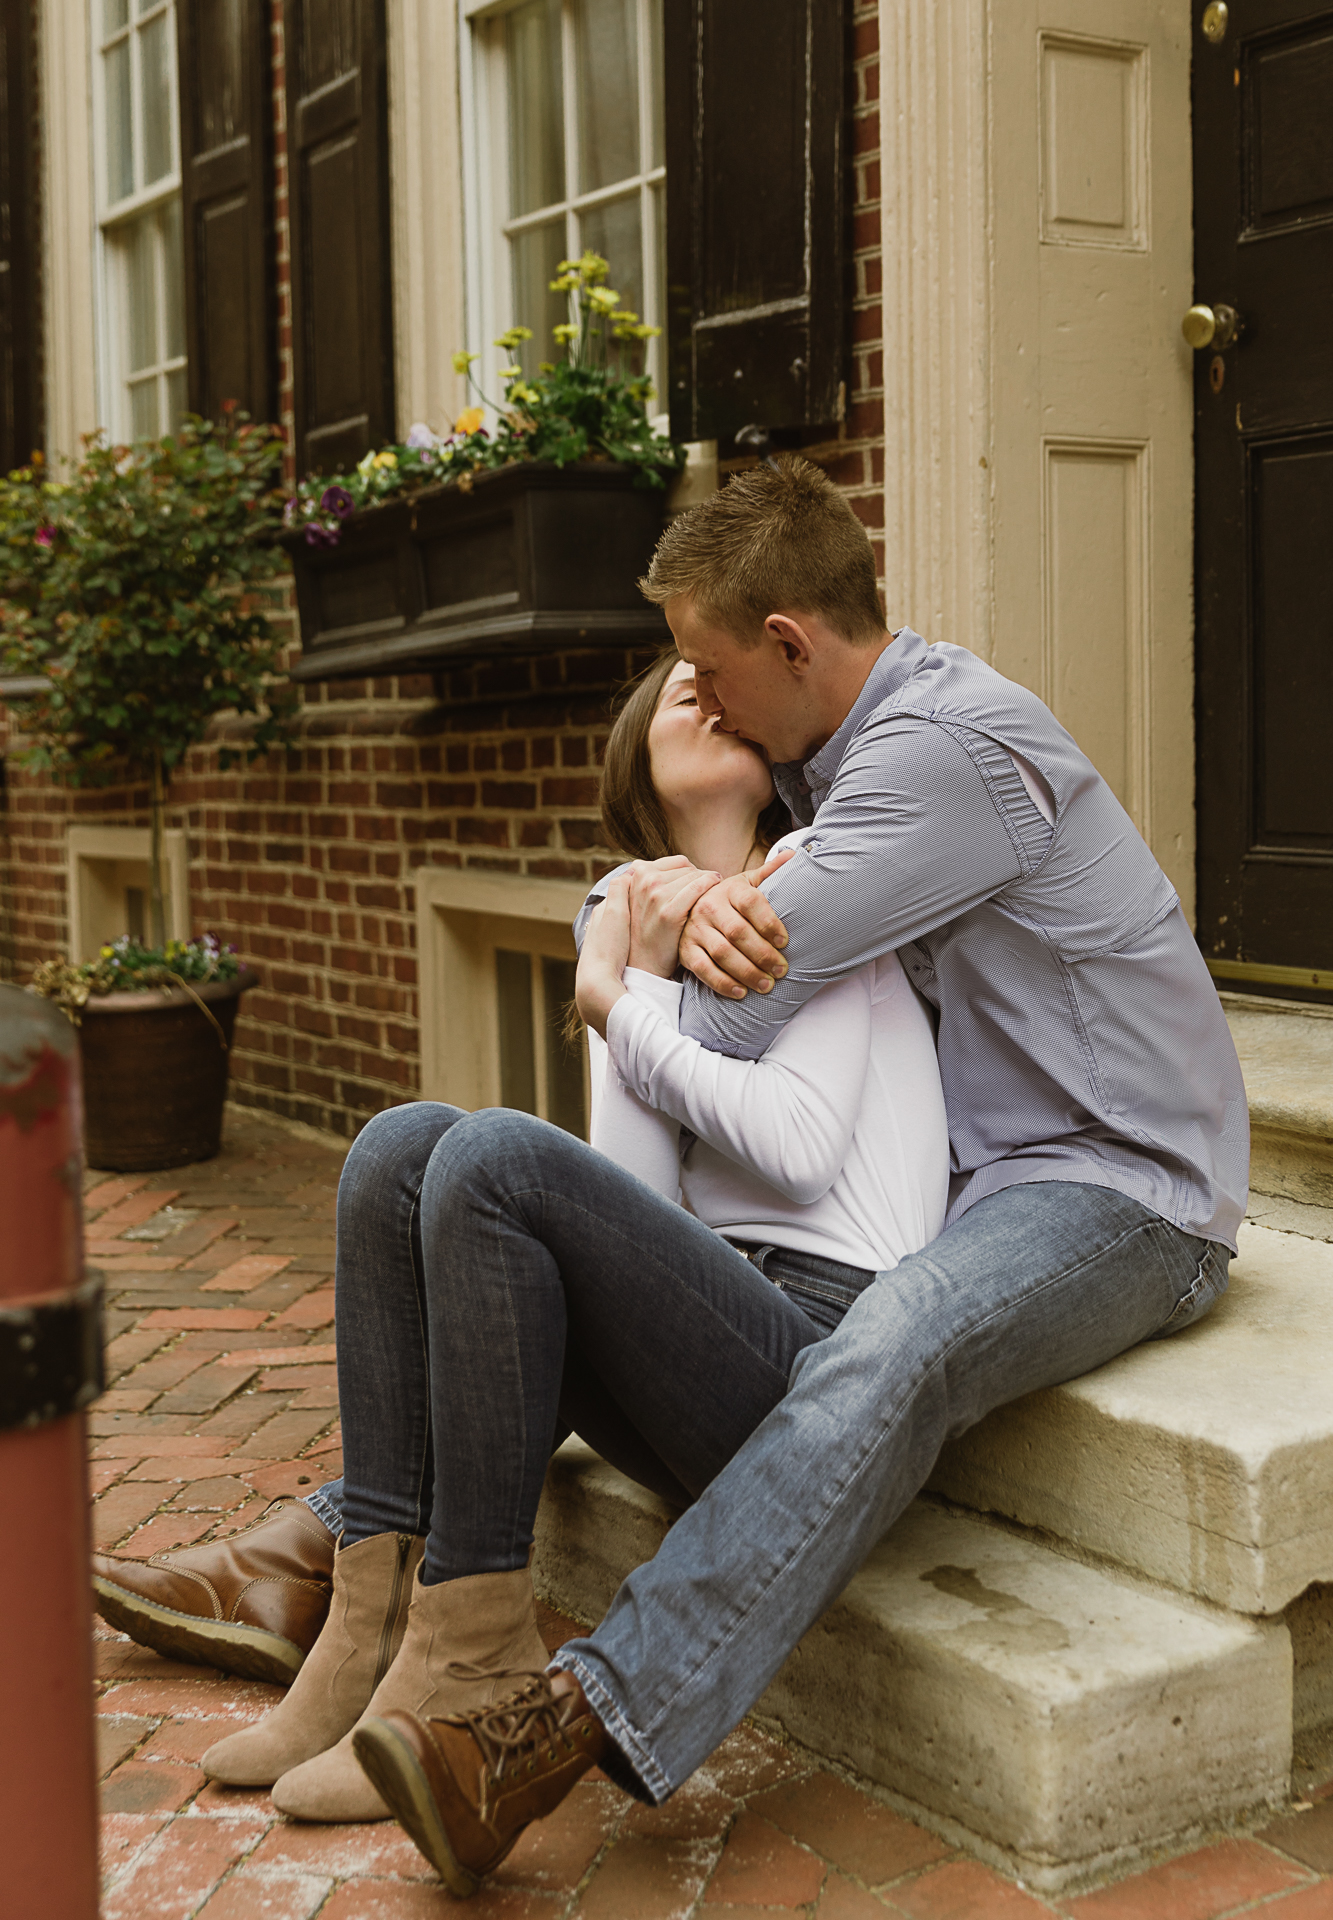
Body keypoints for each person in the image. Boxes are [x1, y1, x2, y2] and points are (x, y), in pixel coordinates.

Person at [342, 456, 1249, 1898]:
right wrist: (664, 908)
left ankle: (558, 1727)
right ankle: (354, 1556)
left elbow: (740, 1011)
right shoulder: (833, 763)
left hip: (1121, 1183)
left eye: (702, 670)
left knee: (896, 1336)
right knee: (439, 1175)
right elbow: (708, 979)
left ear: (788, 643)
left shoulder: (934, 752)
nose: (689, 702)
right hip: (991, 1173)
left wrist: (628, 933)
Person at [96, 633, 948, 1826]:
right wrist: (638, 965)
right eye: (671, 681)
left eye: (717, 672)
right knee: (401, 1145)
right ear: (636, 763)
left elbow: (801, 1144)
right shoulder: (638, 914)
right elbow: (637, 1195)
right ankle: (368, 1622)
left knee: (494, 1156)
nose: (695, 679)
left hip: (819, 1363)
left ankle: (468, 1653)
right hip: (706, 1345)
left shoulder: (813, 875)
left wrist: (618, 999)